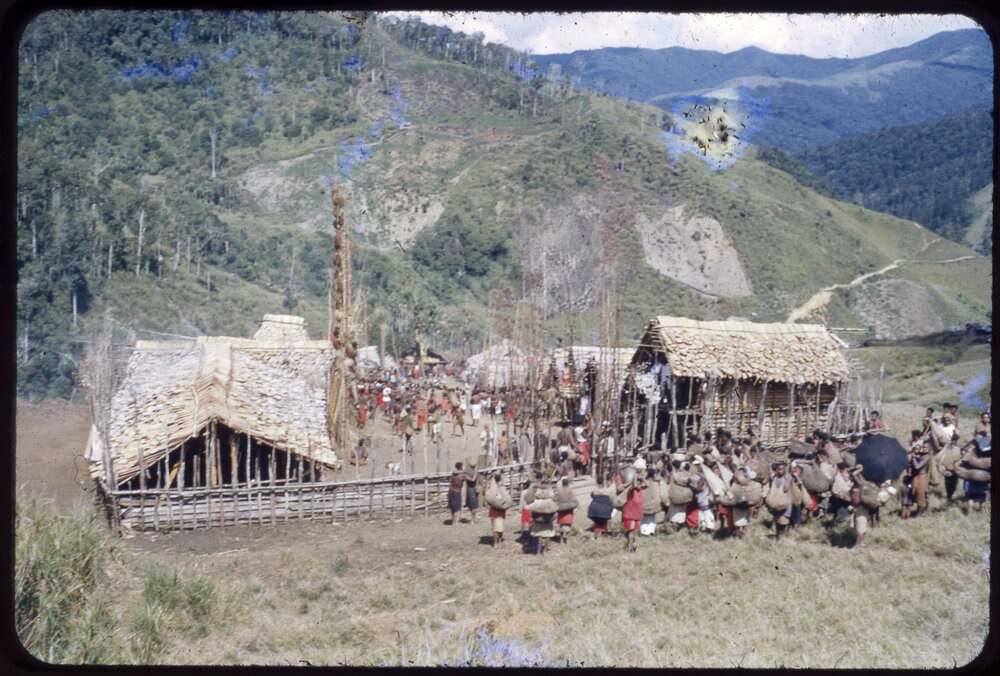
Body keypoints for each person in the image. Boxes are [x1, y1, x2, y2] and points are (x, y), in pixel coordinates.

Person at [767, 461, 793, 542]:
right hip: (777, 501)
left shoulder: (788, 477)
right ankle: (778, 535)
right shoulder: (776, 476)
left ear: (785, 469)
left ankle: (783, 536)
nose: (780, 471)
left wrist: (787, 480)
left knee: (784, 519)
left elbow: (785, 488)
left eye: (782, 469)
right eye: (779, 469)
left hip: (785, 501)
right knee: (777, 519)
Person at [620, 473, 645, 553]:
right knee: (631, 531)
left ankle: (628, 543)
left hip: (635, 515)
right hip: (630, 515)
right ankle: (631, 549)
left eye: (640, 484)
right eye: (637, 483)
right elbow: (633, 486)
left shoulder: (640, 490)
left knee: (631, 531)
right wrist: (635, 477)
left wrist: (642, 478)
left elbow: (647, 484)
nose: (638, 485)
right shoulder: (631, 490)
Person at [909, 440, 931, 517]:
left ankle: (919, 514)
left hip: (922, 477)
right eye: (923, 447)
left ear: (929, 448)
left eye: (926, 447)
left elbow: (917, 466)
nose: (924, 449)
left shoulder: (927, 457)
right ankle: (918, 511)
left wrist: (913, 458)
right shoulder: (921, 455)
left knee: (920, 494)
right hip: (917, 477)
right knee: (916, 493)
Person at [488, 473, 510, 548]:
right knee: (500, 527)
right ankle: (499, 541)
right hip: (501, 511)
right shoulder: (503, 488)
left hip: (493, 511)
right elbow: (507, 498)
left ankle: (495, 543)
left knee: (495, 528)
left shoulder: (492, 489)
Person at [556, 477, 576, 544]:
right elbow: (573, 499)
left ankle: (561, 539)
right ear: (567, 484)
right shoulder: (570, 490)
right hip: (568, 509)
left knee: (561, 525)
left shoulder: (559, 490)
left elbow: (557, 499)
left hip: (561, 509)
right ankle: (567, 539)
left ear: (562, 484)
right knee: (568, 525)